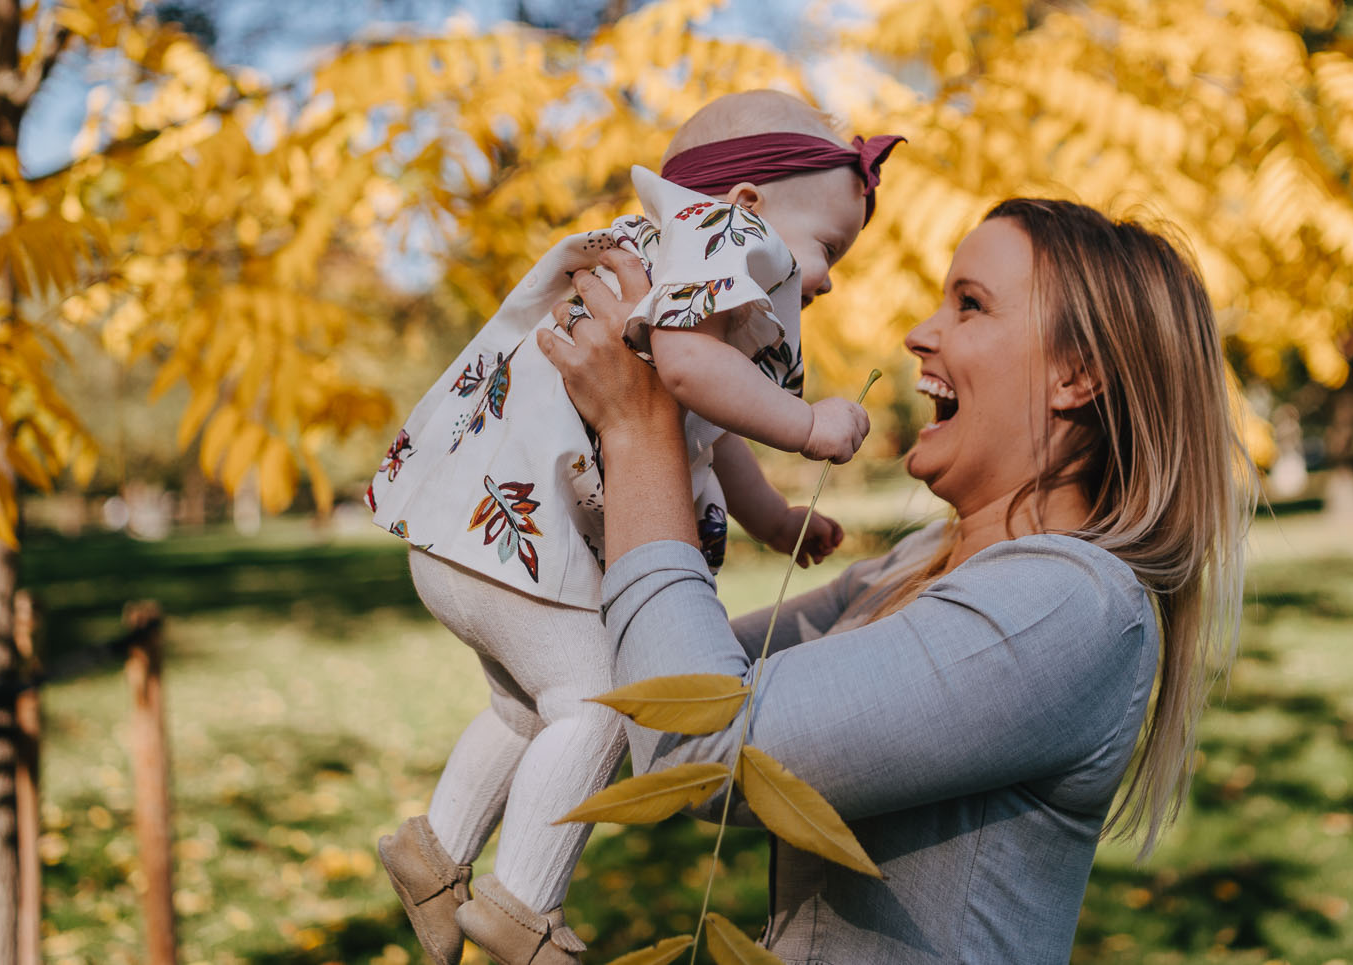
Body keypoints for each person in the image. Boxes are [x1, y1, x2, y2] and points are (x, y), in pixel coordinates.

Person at [539, 199, 1254, 963]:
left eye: (970, 305)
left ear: (1078, 374)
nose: (920, 333)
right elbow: (634, 688)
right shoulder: (918, 564)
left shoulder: (1073, 605)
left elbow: (702, 746)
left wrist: (639, 432)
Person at [372, 90, 906, 965]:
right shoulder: (722, 240)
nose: (830, 276)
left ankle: (432, 857)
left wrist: (773, 518)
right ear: (748, 206)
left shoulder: (669, 267)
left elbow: (707, 422)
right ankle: (521, 907)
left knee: (522, 707)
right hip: (512, 538)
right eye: (828, 247)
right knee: (604, 704)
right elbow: (694, 375)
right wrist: (809, 427)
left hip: (469, 539)